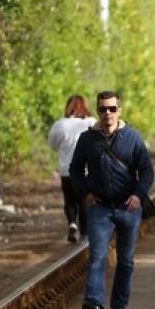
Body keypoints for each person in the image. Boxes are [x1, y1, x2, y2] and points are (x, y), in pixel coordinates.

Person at [69, 91, 154, 309]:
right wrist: (85, 193)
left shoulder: (133, 138)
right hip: (100, 208)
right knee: (97, 256)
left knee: (125, 260)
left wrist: (138, 195)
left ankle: (120, 307)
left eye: (112, 109)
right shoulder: (88, 139)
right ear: (97, 111)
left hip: (128, 207)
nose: (108, 114)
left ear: (120, 110)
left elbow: (146, 171)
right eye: (103, 109)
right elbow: (75, 169)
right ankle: (93, 303)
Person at [48, 95, 96, 243]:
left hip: (66, 170)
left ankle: (72, 224)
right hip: (86, 171)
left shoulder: (60, 125)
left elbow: (53, 145)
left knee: (70, 201)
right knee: (84, 201)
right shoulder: (91, 123)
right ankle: (85, 234)